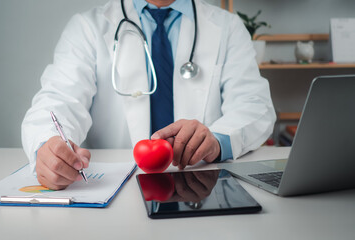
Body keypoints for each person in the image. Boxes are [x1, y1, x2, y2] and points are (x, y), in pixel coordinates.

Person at [21, 0, 276, 190]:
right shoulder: (88, 27)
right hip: (114, 192)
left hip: (202, 184)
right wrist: (48, 146)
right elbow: (58, 100)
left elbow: (255, 105)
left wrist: (217, 140)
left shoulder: (227, 27)